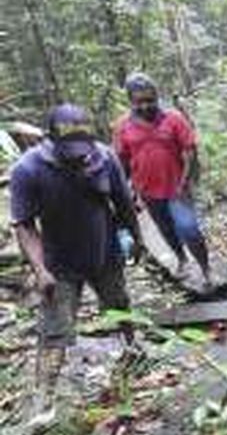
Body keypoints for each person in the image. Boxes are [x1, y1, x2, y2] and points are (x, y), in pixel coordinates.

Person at [10, 104, 143, 418]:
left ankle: (131, 352)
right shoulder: (28, 170)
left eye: (83, 150)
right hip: (59, 263)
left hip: (105, 252)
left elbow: (123, 203)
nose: (79, 157)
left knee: (119, 305)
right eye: (71, 151)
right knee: (54, 330)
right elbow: (24, 225)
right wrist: (40, 270)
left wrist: (136, 239)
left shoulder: (105, 157)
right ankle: (45, 401)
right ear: (50, 140)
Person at [113, 72, 212, 286]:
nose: (146, 106)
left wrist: (185, 182)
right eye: (139, 102)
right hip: (147, 190)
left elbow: (190, 152)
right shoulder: (122, 126)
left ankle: (206, 268)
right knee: (165, 228)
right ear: (130, 101)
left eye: (150, 100)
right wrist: (125, 190)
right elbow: (122, 160)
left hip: (177, 188)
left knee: (189, 229)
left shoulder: (173, 118)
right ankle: (182, 259)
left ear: (157, 96)